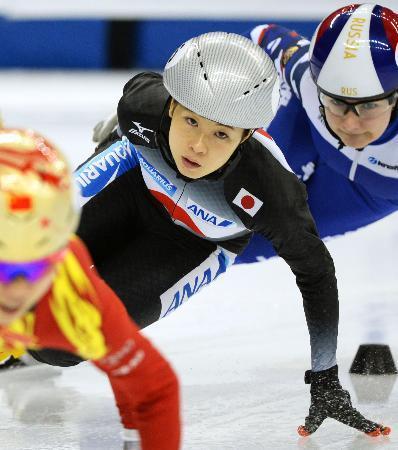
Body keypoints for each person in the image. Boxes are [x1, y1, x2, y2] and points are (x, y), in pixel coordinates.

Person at [27, 31, 388, 436]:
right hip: (137, 193)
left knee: (56, 346)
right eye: (190, 121)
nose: (197, 146)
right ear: (171, 107)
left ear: (246, 136)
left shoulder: (270, 190)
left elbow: (316, 273)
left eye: (221, 134)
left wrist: (325, 379)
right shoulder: (140, 107)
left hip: (194, 245)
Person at [0, 128, 180, 450]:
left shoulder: (73, 297)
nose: (16, 289)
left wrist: (133, 434)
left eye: (35, 266)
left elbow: (154, 388)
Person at [237, 2, 398, 263]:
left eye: (368, 105)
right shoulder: (306, 78)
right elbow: (261, 36)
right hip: (308, 131)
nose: (350, 125)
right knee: (231, 213)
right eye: (337, 102)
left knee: (242, 247)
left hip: (368, 190)